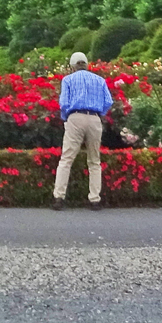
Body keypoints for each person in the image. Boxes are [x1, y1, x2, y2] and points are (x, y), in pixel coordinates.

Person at [52, 51, 112, 209]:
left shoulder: (68, 80)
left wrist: (66, 118)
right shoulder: (99, 80)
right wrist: (100, 114)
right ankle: (95, 199)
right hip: (94, 118)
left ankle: (59, 197)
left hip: (75, 117)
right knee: (94, 161)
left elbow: (64, 103)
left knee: (66, 159)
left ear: (72, 66)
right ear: (86, 64)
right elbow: (108, 101)